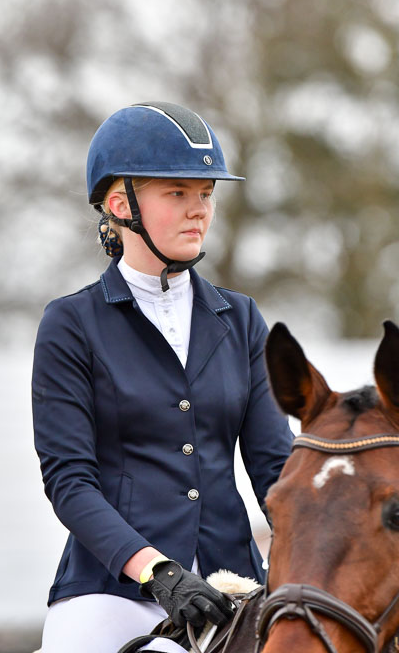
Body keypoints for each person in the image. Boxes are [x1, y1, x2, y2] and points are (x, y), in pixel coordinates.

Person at [32, 102, 293, 653]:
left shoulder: (241, 319)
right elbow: (69, 481)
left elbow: (275, 466)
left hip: (235, 585)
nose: (199, 210)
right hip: (113, 594)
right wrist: (156, 571)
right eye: (178, 193)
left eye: (206, 194)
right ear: (121, 204)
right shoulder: (72, 324)